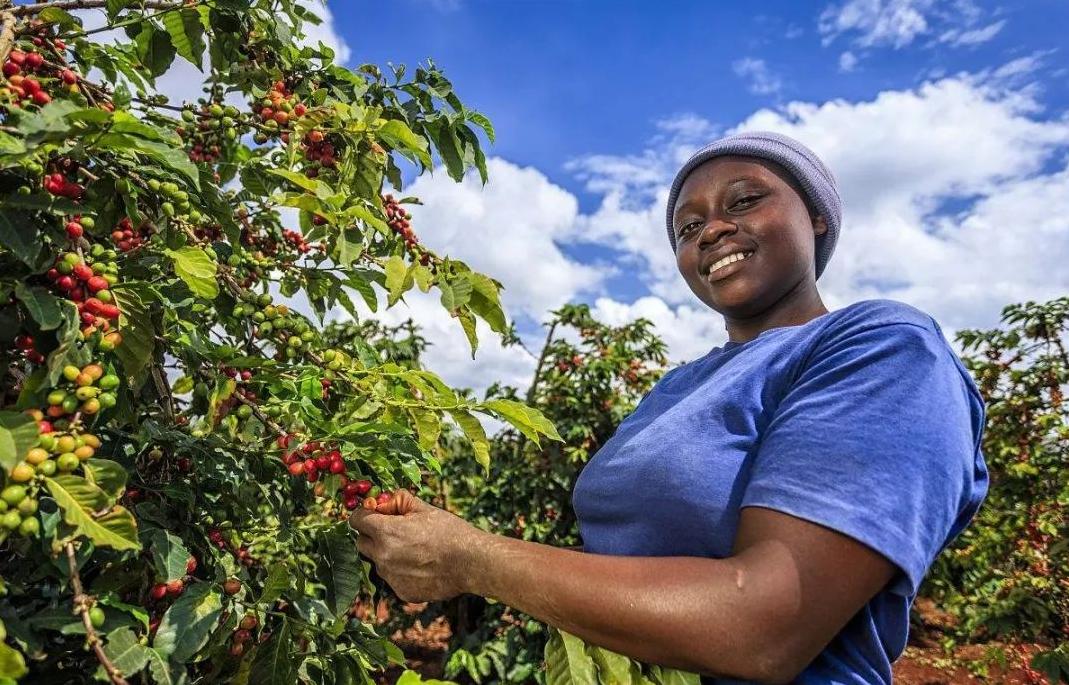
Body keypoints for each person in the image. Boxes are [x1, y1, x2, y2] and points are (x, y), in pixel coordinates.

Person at [348, 131, 990, 684]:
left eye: (745, 200)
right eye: (688, 227)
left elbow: (764, 625)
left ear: (817, 219)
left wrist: (469, 558)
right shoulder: (680, 384)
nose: (712, 228)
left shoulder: (882, 347)